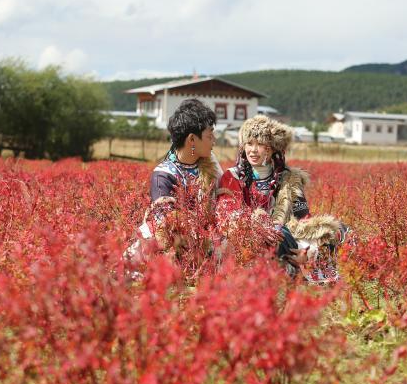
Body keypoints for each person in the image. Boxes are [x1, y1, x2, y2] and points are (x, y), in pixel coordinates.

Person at [216, 115, 349, 283]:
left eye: (261, 145)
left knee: (338, 230)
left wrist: (306, 248)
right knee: (278, 235)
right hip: (250, 237)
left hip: (285, 238)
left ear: (272, 149)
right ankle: (287, 268)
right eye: (249, 143)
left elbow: (303, 217)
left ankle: (298, 261)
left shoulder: (289, 178)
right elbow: (227, 215)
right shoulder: (233, 177)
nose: (253, 150)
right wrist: (260, 226)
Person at [125, 99, 222, 274]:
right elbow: (164, 224)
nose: (214, 140)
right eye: (210, 136)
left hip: (207, 238)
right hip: (175, 245)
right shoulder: (163, 175)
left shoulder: (210, 166)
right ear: (192, 139)